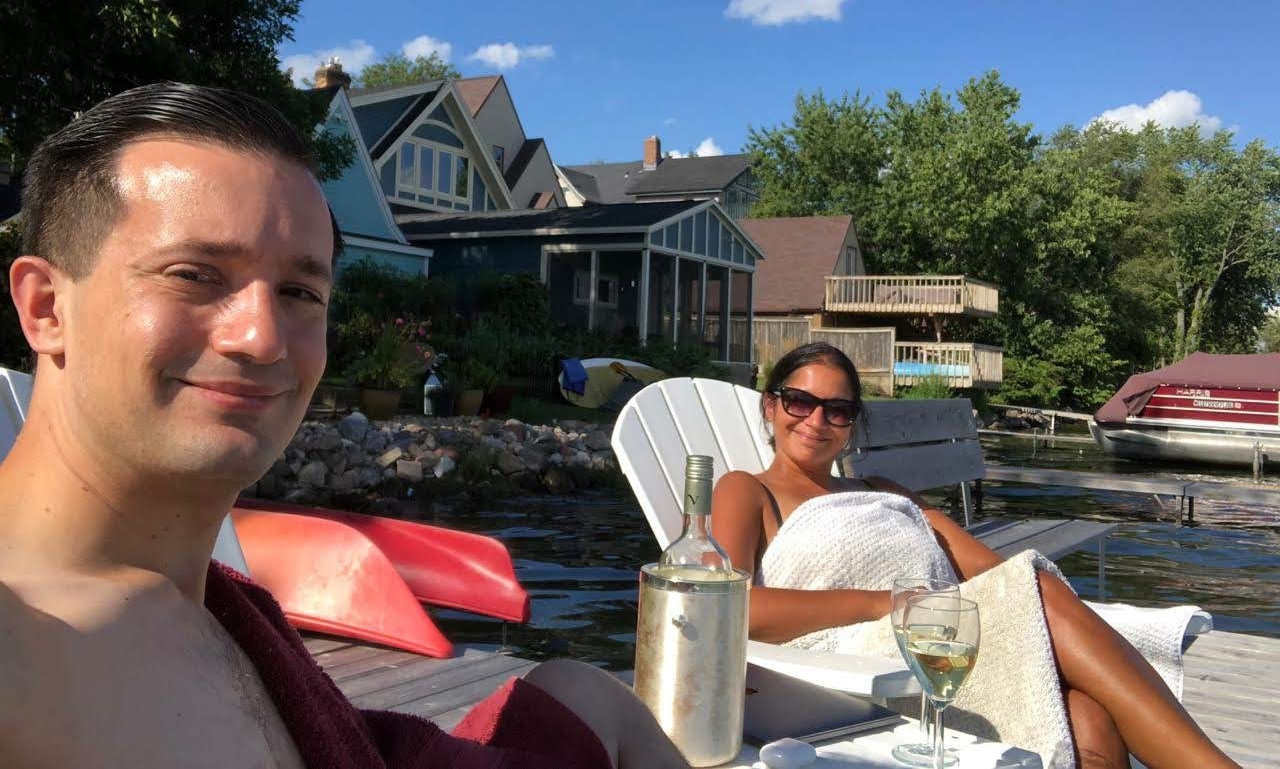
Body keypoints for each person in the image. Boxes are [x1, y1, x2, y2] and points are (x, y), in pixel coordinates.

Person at [0, 82, 689, 769]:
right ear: (46, 308)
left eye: (299, 292)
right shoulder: (23, 632)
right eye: (194, 275)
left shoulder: (216, 607)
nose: (262, 338)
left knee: (586, 693)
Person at [712, 342, 1239, 769]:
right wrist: (890, 604)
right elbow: (731, 606)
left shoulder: (882, 490)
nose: (816, 419)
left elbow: (991, 571)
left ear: (852, 423)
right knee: (1039, 593)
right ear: (770, 406)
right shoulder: (748, 490)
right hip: (861, 663)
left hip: (948, 640)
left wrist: (973, 609)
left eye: (838, 409)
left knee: (1088, 721)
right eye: (799, 401)